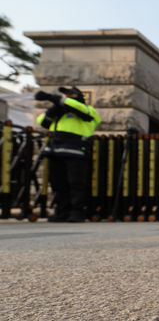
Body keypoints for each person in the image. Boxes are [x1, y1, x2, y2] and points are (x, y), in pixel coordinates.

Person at [35, 86, 101, 222]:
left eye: (71, 94)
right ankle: (62, 212)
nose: (67, 97)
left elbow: (80, 109)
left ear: (79, 96)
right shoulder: (59, 113)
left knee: (76, 183)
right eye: (65, 94)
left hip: (76, 152)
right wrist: (55, 107)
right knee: (58, 184)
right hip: (56, 152)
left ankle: (77, 212)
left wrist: (53, 98)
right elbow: (42, 121)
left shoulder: (88, 110)